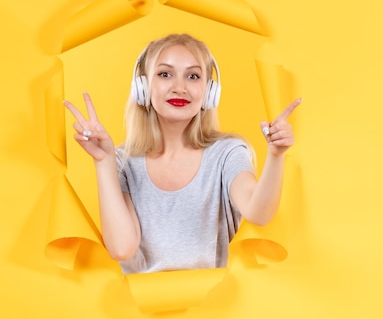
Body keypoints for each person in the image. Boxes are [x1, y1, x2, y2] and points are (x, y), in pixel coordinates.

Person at [63, 33, 301, 274]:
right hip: (142, 307)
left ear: (209, 92)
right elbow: (122, 248)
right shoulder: (123, 161)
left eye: (193, 76)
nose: (179, 87)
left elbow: (257, 212)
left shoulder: (227, 153)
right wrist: (103, 161)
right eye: (165, 74)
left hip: (216, 306)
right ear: (143, 87)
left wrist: (276, 155)